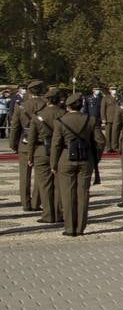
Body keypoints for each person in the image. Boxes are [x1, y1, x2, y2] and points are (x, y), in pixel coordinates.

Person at [52, 91, 104, 237]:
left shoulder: (60, 121)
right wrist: (95, 158)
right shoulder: (91, 120)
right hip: (86, 159)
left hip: (66, 158)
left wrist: (54, 164)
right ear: (81, 105)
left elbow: (56, 145)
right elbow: (100, 141)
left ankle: (69, 227)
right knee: (83, 194)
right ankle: (80, 227)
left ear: (67, 106)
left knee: (68, 194)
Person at [9, 79, 46, 212]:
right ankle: (36, 202)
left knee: (24, 175)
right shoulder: (46, 105)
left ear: (29, 92)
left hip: (24, 143)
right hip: (41, 144)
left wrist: (13, 144)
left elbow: (15, 127)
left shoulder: (21, 106)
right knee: (40, 175)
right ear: (41, 91)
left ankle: (26, 203)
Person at [31, 87, 63, 223]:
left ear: (47, 100)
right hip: (60, 151)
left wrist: (29, 156)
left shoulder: (39, 115)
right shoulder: (63, 114)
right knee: (58, 184)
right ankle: (58, 213)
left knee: (45, 185)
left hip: (41, 150)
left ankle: (48, 214)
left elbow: (31, 138)